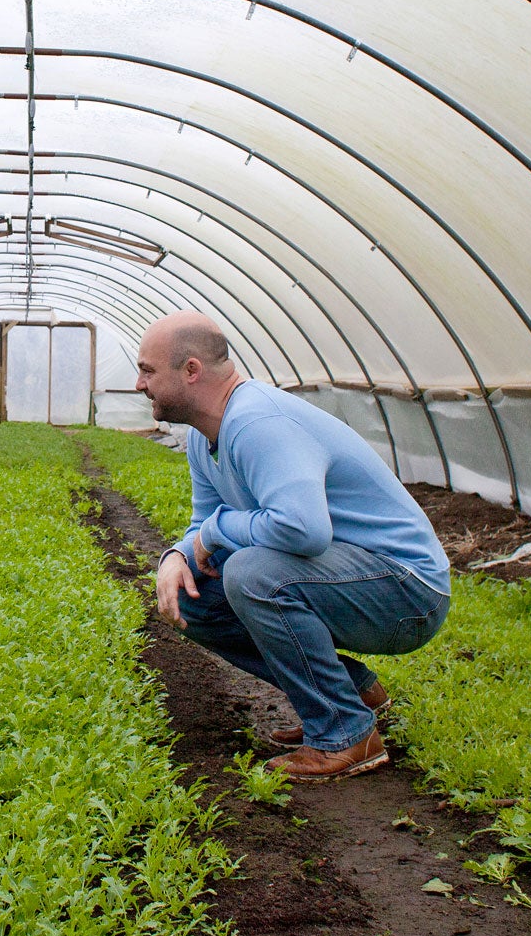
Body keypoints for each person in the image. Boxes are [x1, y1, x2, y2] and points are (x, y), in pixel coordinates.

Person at [140, 312, 451, 780]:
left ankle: (345, 733)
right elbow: (204, 523)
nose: (139, 383)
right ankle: (350, 692)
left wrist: (213, 533)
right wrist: (180, 554)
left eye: (148, 370)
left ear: (191, 370)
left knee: (252, 573)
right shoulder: (205, 437)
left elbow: (303, 531)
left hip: (407, 590)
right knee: (191, 594)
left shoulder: (256, 421)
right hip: (346, 578)